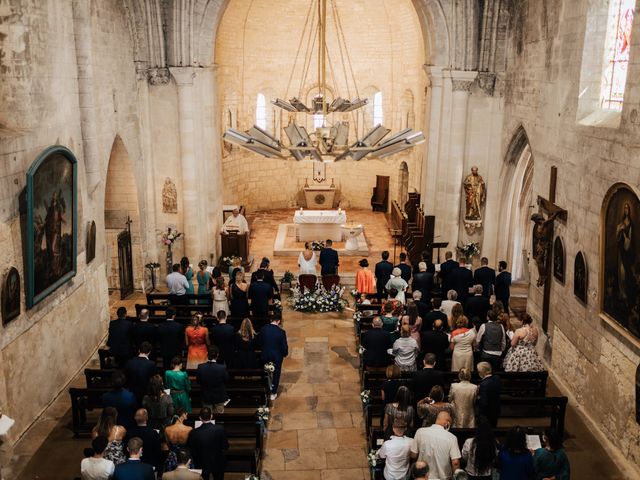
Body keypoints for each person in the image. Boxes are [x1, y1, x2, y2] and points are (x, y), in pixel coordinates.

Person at [410, 411, 461, 480]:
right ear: (447, 424)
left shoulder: (420, 432)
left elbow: (413, 455)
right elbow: (455, 463)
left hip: (422, 477)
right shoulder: (452, 438)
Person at [188, 407, 229, 480]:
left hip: (201, 463)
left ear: (200, 418)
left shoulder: (194, 432)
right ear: (211, 416)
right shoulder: (220, 429)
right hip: (218, 462)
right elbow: (225, 446)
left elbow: (192, 450)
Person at [258, 316, 288, 400]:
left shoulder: (263, 329)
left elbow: (259, 341)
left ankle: (265, 389)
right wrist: (285, 354)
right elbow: (284, 346)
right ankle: (273, 393)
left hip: (265, 354)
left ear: (271, 320)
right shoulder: (281, 332)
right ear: (278, 321)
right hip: (276, 356)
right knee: (276, 374)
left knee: (265, 372)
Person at [196, 346, 229, 413]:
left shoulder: (201, 367)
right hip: (219, 396)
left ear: (207, 354)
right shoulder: (222, 368)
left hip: (206, 396)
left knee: (207, 415)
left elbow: (198, 381)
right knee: (220, 415)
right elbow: (226, 380)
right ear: (217, 355)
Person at [476, 362, 501, 427]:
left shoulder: (483, 384)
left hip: (487, 413)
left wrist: (478, 398)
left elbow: (484, 402)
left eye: (479, 371)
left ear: (482, 372)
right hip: (496, 409)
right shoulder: (497, 378)